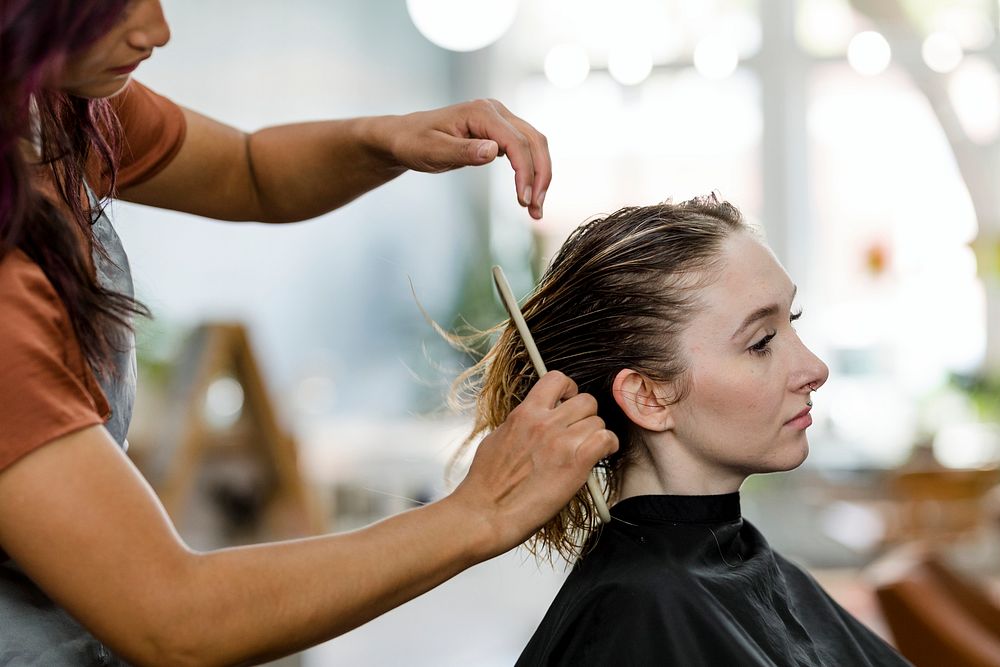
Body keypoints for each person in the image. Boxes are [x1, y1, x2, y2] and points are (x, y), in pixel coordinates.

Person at [0, 1, 618, 664]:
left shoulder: (56, 103)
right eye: (111, 9)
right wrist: (477, 511)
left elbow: (249, 169)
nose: (157, 31)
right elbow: (172, 615)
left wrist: (388, 138)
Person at [453, 196, 913, 665]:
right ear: (648, 397)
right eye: (761, 343)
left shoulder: (742, 566)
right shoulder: (640, 614)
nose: (814, 368)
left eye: (790, 321)